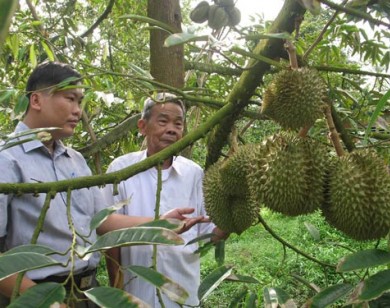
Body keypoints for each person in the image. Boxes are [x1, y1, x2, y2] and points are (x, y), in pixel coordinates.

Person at [0, 62, 204, 307]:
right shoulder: (7, 159)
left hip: (87, 292)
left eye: (80, 102)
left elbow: (101, 220)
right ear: (36, 100)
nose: (78, 111)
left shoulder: (74, 161)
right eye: (70, 99)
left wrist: (161, 223)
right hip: (34, 296)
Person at [103, 92, 227, 307]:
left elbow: (208, 235)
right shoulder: (120, 170)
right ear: (142, 126)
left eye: (178, 124)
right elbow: (108, 232)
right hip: (136, 294)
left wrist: (233, 219)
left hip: (183, 294)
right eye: (163, 121)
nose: (172, 129)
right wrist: (117, 289)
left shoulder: (194, 173)